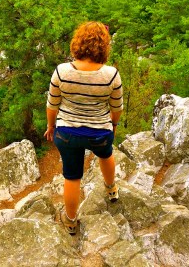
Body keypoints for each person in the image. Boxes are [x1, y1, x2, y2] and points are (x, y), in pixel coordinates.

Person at [43, 21, 123, 235]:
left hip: (67, 132)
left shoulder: (61, 72)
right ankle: (111, 189)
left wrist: (51, 126)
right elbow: (117, 108)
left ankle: (70, 221)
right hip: (100, 131)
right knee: (106, 155)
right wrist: (113, 125)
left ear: (78, 42)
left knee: (72, 176)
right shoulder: (112, 75)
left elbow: (52, 105)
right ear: (104, 46)